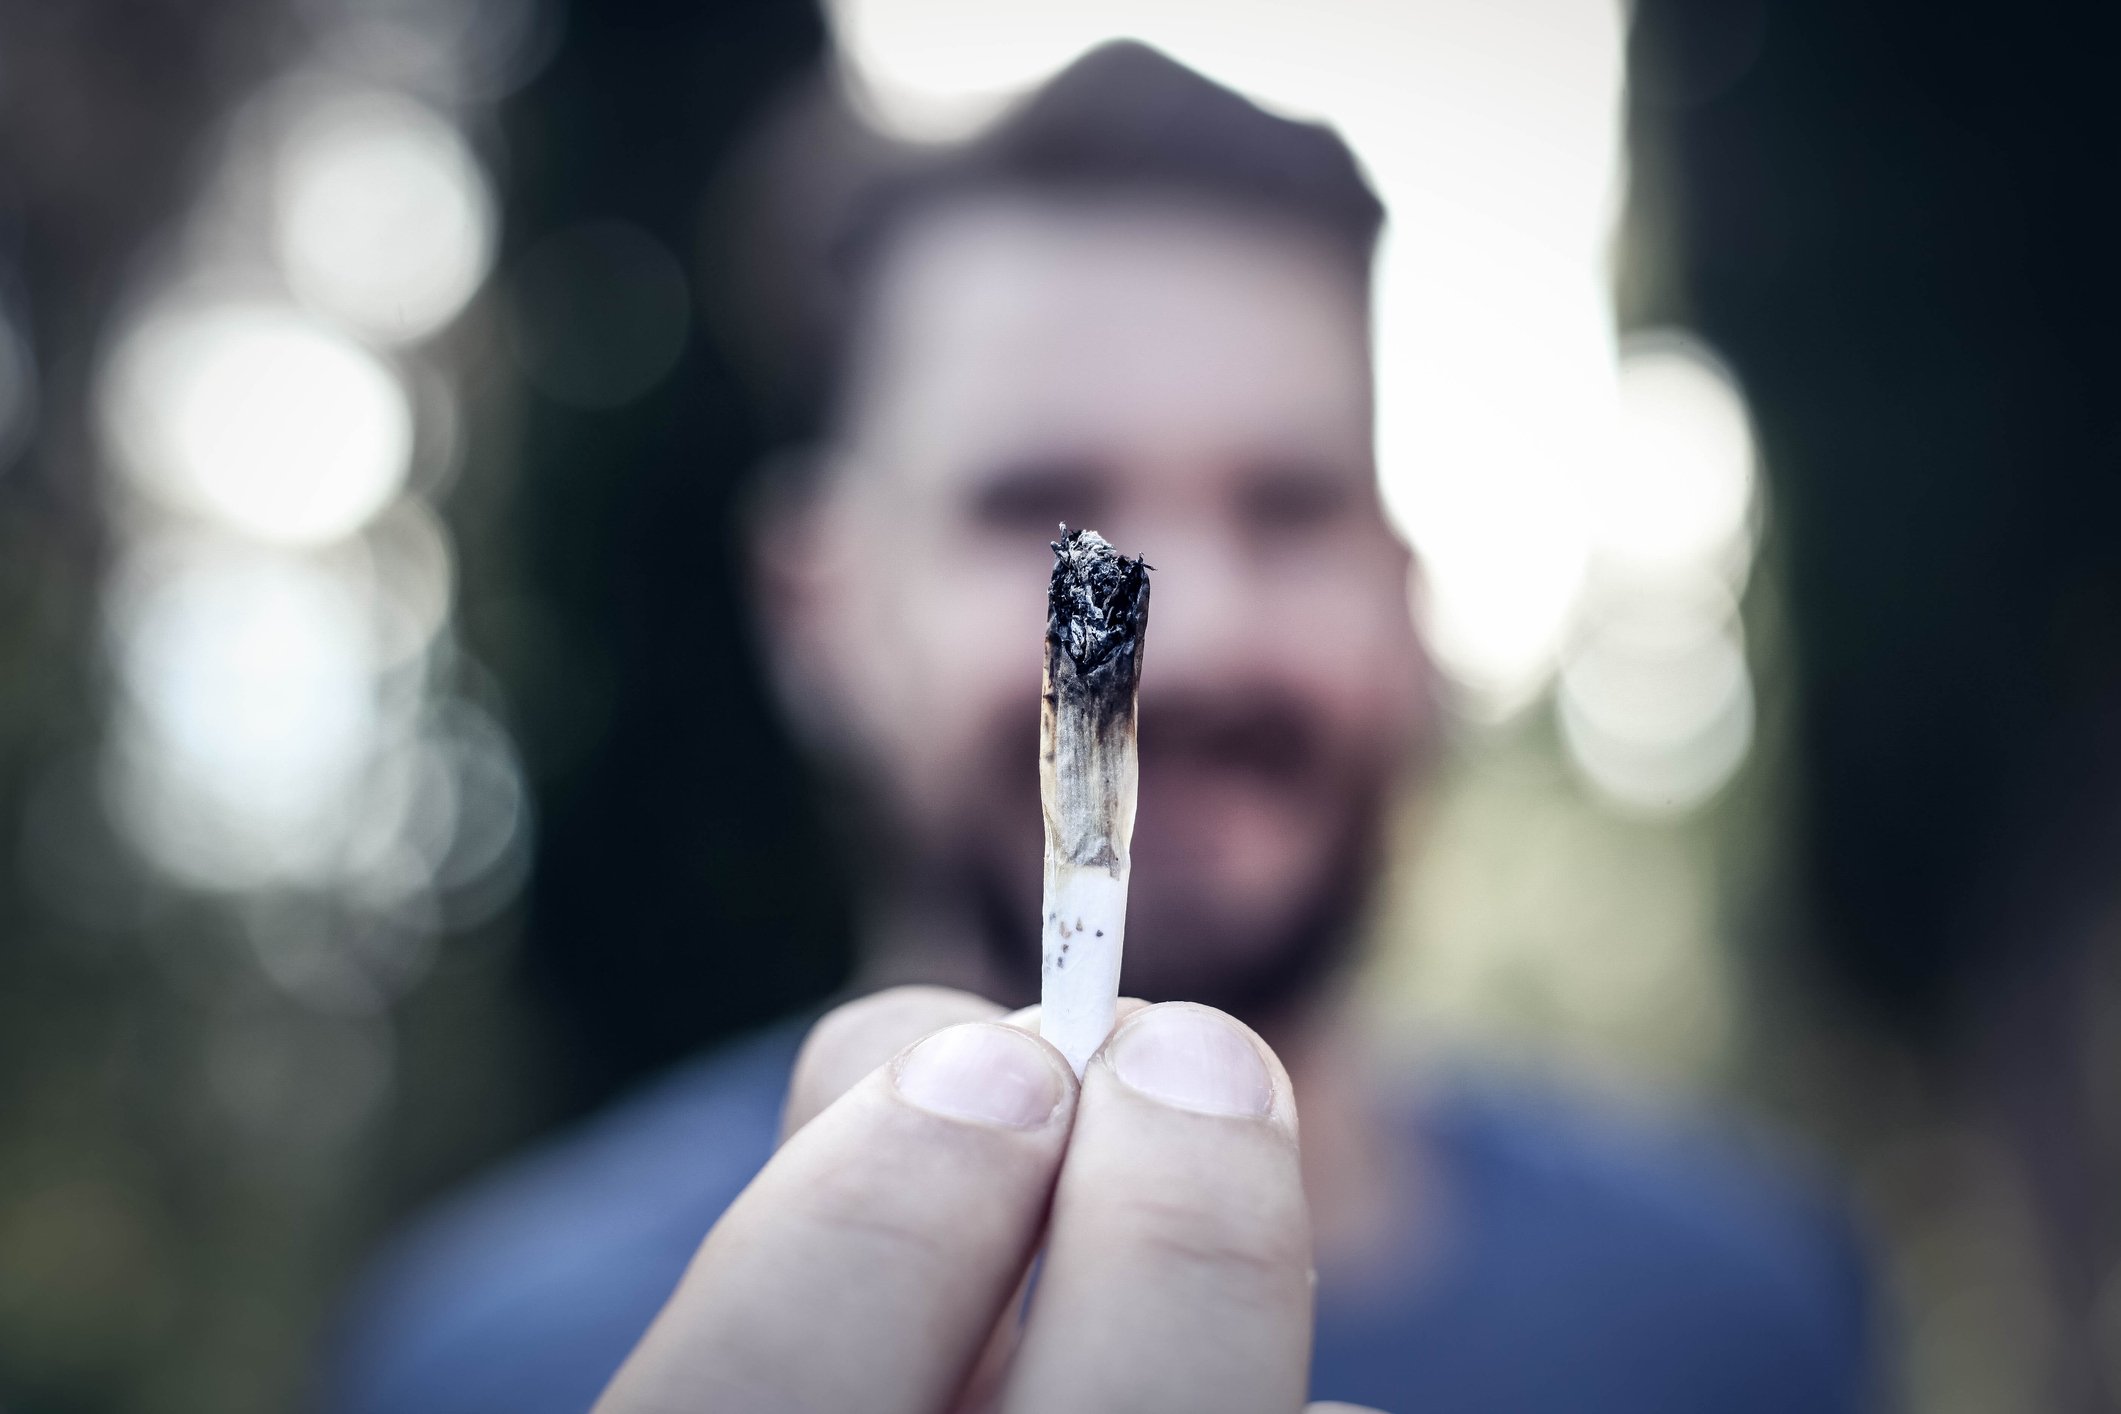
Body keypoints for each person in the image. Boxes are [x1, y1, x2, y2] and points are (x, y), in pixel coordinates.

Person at [325, 43, 1875, 1414]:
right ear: (818, 613)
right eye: (1036, 509)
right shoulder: (495, 1361)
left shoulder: (1740, 1321)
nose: (1179, 633)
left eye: (1292, 507)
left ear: (1408, 599)